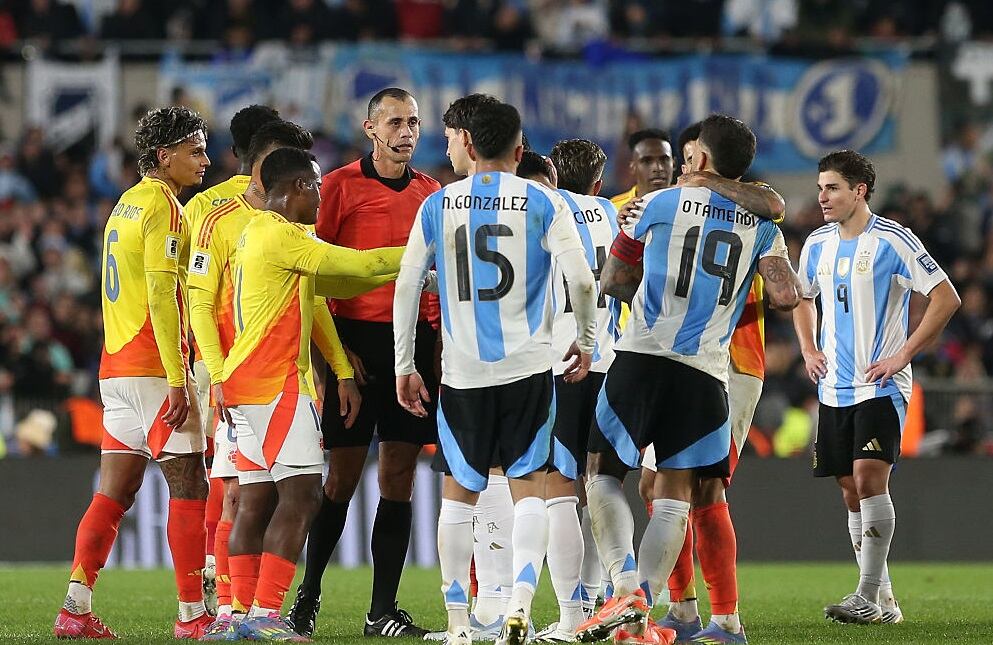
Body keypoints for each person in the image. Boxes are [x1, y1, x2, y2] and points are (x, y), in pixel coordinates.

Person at [578, 114, 801, 645]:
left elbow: (612, 279)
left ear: (701, 159)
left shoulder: (656, 204)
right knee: (679, 493)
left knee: (603, 473)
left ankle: (627, 587)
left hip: (642, 356)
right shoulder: (763, 226)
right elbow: (787, 295)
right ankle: (651, 612)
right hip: (706, 373)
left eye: (689, 154)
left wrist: (655, 291)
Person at [393, 100, 598, 645]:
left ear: (467, 143)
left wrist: (404, 364)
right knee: (529, 488)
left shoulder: (439, 204)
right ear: (519, 148)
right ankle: (521, 607)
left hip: (462, 373)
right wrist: (588, 340)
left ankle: (460, 623)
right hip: (530, 368)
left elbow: (408, 284)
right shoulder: (544, 200)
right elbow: (581, 281)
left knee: (460, 492)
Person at [216, 148, 405, 641]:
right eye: (318, 186)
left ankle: (238, 614)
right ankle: (265, 614)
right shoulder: (284, 236)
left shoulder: (256, 231)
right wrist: (422, 252)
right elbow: (359, 267)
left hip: (244, 382)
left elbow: (334, 280)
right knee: (301, 496)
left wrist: (404, 275)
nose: (323, 196)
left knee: (255, 499)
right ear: (299, 186)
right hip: (274, 383)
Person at [54, 106, 214, 639]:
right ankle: (194, 615)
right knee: (189, 484)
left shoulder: (124, 205)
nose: (205, 160)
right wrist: (178, 377)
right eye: (195, 150)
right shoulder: (165, 208)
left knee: (114, 492)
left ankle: (75, 607)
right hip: (152, 368)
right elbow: (163, 298)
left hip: (114, 369)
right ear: (164, 155)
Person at [187, 120, 350, 639]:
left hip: (259, 378)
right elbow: (198, 300)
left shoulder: (288, 228)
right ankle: (249, 611)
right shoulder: (214, 216)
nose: (312, 183)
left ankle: (236, 614)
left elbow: (311, 297)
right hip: (256, 378)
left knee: (252, 497)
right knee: (254, 496)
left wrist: (339, 367)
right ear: (268, 166)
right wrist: (212, 372)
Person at [289, 88, 441, 639]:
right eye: (396, 122)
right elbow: (313, 269)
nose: (407, 132)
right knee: (343, 478)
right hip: (355, 343)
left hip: (412, 347)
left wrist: (434, 343)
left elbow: (431, 279)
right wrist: (336, 357)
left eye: (415, 123)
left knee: (398, 474)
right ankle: (307, 597)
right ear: (370, 128)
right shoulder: (338, 186)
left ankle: (382, 610)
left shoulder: (430, 192)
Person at [634, 121, 788, 644]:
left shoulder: (754, 208)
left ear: (706, 157)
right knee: (655, 485)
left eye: (688, 154)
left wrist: (706, 183)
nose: (679, 164)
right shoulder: (675, 205)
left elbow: (775, 206)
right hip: (680, 363)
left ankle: (727, 621)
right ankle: (682, 609)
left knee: (706, 486)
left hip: (734, 364)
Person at [793, 150, 960, 625]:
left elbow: (945, 297)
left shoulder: (894, 240)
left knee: (869, 479)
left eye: (832, 188)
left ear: (859, 191)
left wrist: (903, 355)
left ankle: (865, 594)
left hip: (881, 384)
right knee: (850, 491)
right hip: (833, 389)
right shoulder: (817, 243)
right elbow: (804, 299)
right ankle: (884, 600)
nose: (822, 197)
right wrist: (808, 347)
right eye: (821, 187)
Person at [184, 104, 281, 612]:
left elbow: (187, 281)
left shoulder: (203, 206)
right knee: (238, 479)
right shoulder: (224, 209)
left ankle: (220, 577)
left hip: (214, 357)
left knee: (225, 478)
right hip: (232, 360)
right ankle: (226, 588)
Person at [528, 138, 621, 643]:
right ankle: (594, 599)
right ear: (599, 182)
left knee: (557, 490)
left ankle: (569, 617)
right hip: (608, 360)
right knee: (596, 482)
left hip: (561, 359)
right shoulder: (610, 211)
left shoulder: (545, 209)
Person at [609, 130, 674, 211]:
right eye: (647, 161)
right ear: (632, 167)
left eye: (664, 160)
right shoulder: (613, 208)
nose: (658, 168)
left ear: (674, 164)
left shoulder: (687, 201)